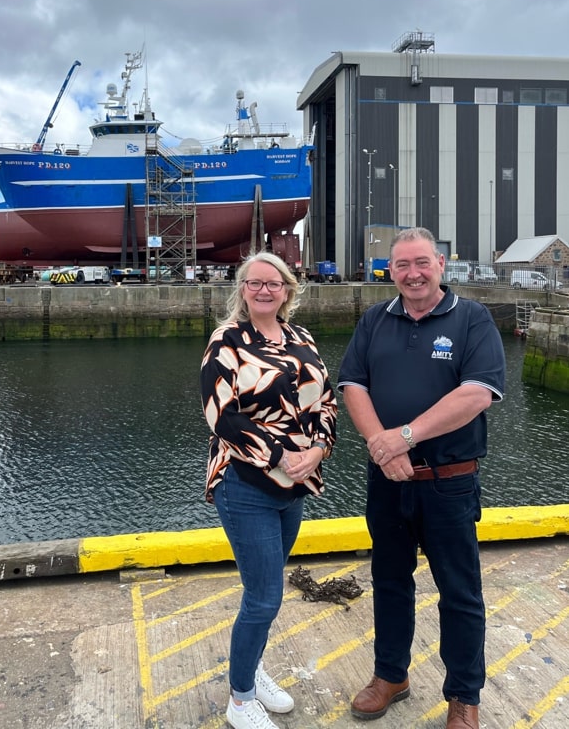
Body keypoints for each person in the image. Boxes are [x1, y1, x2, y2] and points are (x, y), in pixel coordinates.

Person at [337, 227, 505, 729]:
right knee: (389, 581)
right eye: (401, 266)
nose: (411, 274)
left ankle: (463, 696)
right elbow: (352, 384)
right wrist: (379, 445)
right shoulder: (374, 320)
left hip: (448, 482)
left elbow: (477, 393)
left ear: (441, 264)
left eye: (421, 263)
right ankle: (391, 676)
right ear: (391, 270)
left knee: (459, 590)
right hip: (387, 479)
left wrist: (403, 437)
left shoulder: (473, 319)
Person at [201, 251, 337, 729]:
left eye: (273, 284)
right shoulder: (227, 341)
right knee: (263, 596)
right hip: (246, 483)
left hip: (294, 485)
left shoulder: (301, 337)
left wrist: (318, 449)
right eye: (254, 283)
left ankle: (252, 670)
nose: (264, 290)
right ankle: (239, 700)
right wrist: (281, 455)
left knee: (266, 592)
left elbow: (325, 400)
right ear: (242, 289)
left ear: (287, 291)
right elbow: (222, 415)